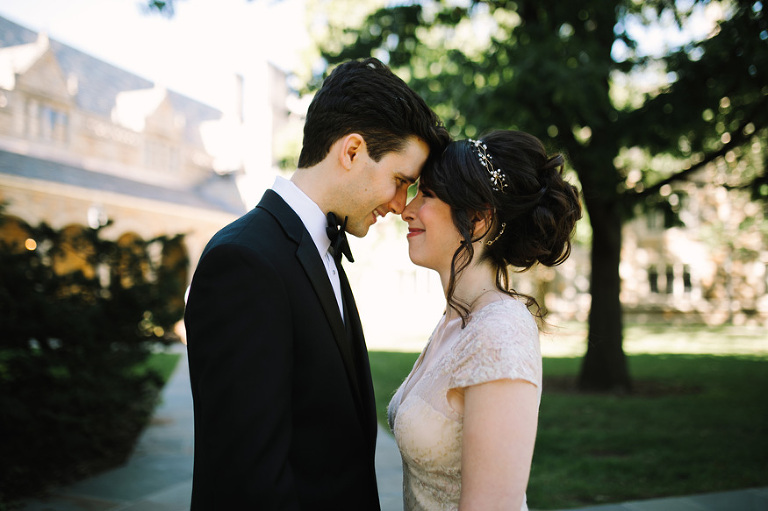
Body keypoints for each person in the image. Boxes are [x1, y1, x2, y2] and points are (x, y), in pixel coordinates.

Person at [184, 58, 449, 510]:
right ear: (352, 151)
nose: (400, 204)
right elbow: (247, 482)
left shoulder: (314, 248)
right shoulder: (245, 262)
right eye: (400, 181)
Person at [388, 130, 582, 510]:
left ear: (477, 218)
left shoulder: (500, 331)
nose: (406, 209)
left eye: (427, 195)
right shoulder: (455, 321)